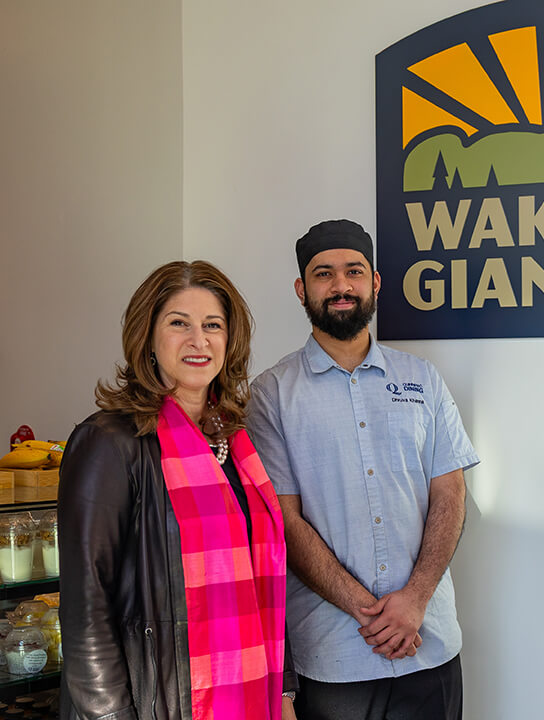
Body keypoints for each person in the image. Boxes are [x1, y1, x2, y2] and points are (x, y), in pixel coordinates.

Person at [246, 219, 479, 720]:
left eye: (353, 271)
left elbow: (451, 493)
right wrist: (368, 612)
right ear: (301, 289)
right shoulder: (272, 394)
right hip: (334, 657)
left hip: (430, 642)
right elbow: (282, 520)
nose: (340, 285)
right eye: (323, 274)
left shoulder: (422, 379)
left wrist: (414, 600)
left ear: (374, 282)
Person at [58, 261, 296, 720]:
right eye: (178, 324)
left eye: (212, 325)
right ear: (147, 336)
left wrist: (284, 695)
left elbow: (260, 577)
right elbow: (87, 610)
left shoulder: (238, 443)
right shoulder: (108, 442)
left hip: (251, 698)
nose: (199, 340)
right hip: (156, 705)